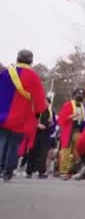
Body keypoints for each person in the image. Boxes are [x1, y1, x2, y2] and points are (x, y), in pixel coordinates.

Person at [0, 50, 46, 181]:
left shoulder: (5, 73)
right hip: (21, 118)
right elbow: (39, 100)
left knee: (2, 142)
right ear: (31, 61)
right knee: (14, 145)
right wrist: (37, 114)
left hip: (2, 116)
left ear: (17, 59)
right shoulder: (33, 77)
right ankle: (8, 172)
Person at [57, 89, 85, 180]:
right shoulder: (67, 105)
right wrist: (70, 117)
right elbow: (61, 119)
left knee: (78, 152)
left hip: (79, 131)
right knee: (66, 151)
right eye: (78, 94)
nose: (80, 96)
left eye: (82, 94)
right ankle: (64, 171)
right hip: (68, 130)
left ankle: (74, 171)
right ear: (74, 95)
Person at [25, 98, 56, 178]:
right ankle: (29, 171)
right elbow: (30, 120)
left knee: (43, 153)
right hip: (35, 133)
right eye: (44, 102)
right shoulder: (37, 111)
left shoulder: (51, 113)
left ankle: (41, 171)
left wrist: (51, 123)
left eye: (47, 103)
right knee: (32, 152)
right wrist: (37, 125)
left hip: (45, 135)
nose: (45, 104)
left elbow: (54, 125)